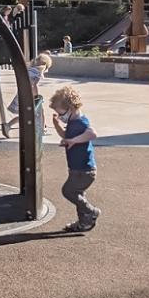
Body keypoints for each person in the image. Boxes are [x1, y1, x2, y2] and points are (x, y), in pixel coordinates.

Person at [50, 85, 100, 232]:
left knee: (68, 191)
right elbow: (66, 136)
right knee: (78, 194)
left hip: (84, 170)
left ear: (70, 108)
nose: (60, 116)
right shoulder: (72, 122)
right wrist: (57, 126)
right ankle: (84, 222)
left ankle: (91, 211)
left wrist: (74, 141)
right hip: (77, 169)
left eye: (61, 114)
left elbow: (93, 134)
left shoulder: (81, 122)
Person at [4, 52, 52, 138]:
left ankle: (9, 125)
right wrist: (36, 96)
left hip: (22, 94)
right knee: (39, 111)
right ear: (44, 65)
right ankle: (42, 129)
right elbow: (33, 85)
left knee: (26, 114)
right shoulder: (38, 72)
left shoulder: (30, 69)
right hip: (29, 96)